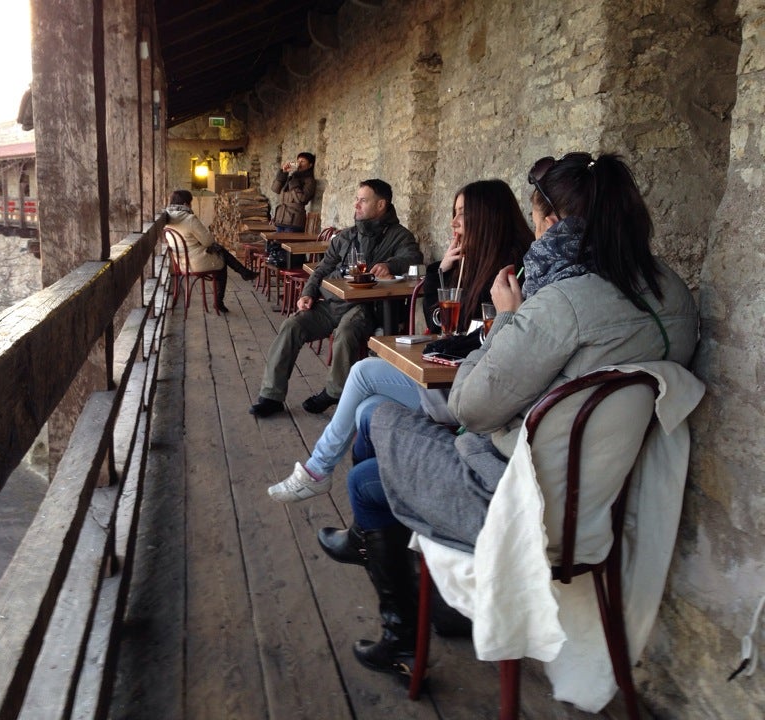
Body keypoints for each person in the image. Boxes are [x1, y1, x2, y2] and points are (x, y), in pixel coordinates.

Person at [317, 153, 700, 682]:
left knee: (367, 467)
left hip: (518, 503)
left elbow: (469, 406)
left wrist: (506, 322)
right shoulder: (674, 294)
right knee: (382, 432)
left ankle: (403, 635)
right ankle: (437, 601)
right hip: (598, 499)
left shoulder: (562, 301)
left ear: (551, 223)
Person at [266, 179, 532, 503]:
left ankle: (318, 471)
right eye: (454, 212)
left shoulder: (511, 275)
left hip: (465, 392)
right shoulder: (469, 265)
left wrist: (402, 269)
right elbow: (440, 324)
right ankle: (369, 516)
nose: (454, 222)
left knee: (363, 371)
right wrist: (442, 270)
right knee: (365, 409)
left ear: (488, 217)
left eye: (463, 213)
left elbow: (485, 340)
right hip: (450, 376)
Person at [248, 179, 423, 418]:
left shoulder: (399, 236)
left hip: (366, 307)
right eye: (357, 199)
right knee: (292, 325)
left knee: (346, 332)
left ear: (381, 204)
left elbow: (413, 257)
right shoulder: (346, 237)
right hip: (333, 303)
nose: (356, 204)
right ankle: (271, 395)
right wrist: (308, 293)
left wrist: (390, 264)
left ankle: (334, 391)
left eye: (363, 200)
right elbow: (321, 269)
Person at [164, 189, 258, 313]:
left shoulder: (167, 219)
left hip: (181, 263)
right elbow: (208, 241)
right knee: (221, 260)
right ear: (186, 204)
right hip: (195, 262)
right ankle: (220, 301)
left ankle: (244, 272)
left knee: (220, 251)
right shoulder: (189, 219)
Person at [272, 152, 316, 232]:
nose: (299, 163)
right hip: (281, 219)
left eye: (302, 161)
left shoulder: (309, 181)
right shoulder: (292, 177)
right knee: (275, 243)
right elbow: (275, 189)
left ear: (310, 165)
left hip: (294, 221)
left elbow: (302, 199)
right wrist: (283, 173)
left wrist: (294, 182)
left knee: (286, 244)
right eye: (298, 161)